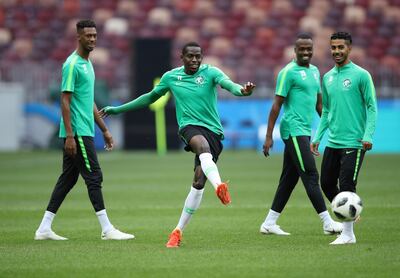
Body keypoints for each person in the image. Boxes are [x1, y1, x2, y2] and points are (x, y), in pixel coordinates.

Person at [100, 42, 255, 248]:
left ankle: (177, 231)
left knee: (198, 183)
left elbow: (230, 85)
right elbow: (149, 98)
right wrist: (117, 110)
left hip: (214, 132)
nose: (194, 60)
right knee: (201, 147)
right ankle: (219, 186)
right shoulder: (171, 77)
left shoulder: (211, 73)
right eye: (190, 56)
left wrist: (243, 90)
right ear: (181, 57)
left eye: (198, 56)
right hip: (189, 128)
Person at [34, 20, 134, 241]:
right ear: (78, 37)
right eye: (88, 36)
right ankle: (107, 229)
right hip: (77, 132)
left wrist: (105, 130)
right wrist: (70, 135)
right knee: (94, 176)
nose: (92, 39)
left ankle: (44, 228)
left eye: (95, 36)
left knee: (68, 178)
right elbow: (65, 101)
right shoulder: (71, 64)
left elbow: (88, 102)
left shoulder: (88, 64)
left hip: (85, 129)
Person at [260, 33, 342, 237]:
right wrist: (269, 136)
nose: (306, 52)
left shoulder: (315, 72)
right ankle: (327, 222)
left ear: (313, 50)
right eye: (302, 49)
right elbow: (276, 106)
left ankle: (269, 223)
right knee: (311, 174)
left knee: (289, 178)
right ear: (295, 51)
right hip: (293, 130)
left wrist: (331, 127)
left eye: (309, 49)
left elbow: (319, 105)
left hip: (305, 131)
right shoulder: (288, 72)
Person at [311, 32, 377, 245]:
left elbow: (371, 107)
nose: (337, 51)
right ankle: (350, 210)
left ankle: (348, 235)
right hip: (333, 141)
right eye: (333, 47)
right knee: (328, 183)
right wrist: (318, 136)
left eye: (341, 47)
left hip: (355, 142)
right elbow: (327, 110)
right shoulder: (328, 77)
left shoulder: (361, 75)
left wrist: (367, 135)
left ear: (349, 48)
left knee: (347, 184)